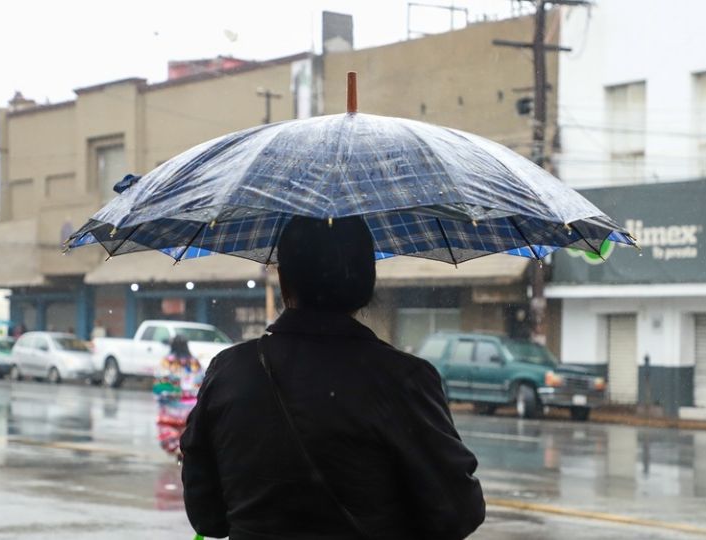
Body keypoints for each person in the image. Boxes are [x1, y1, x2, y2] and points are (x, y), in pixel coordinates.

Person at [181, 216, 485, 539]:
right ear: (367, 283)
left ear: (283, 282)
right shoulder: (404, 380)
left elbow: (207, 516)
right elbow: (457, 513)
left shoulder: (229, 372)